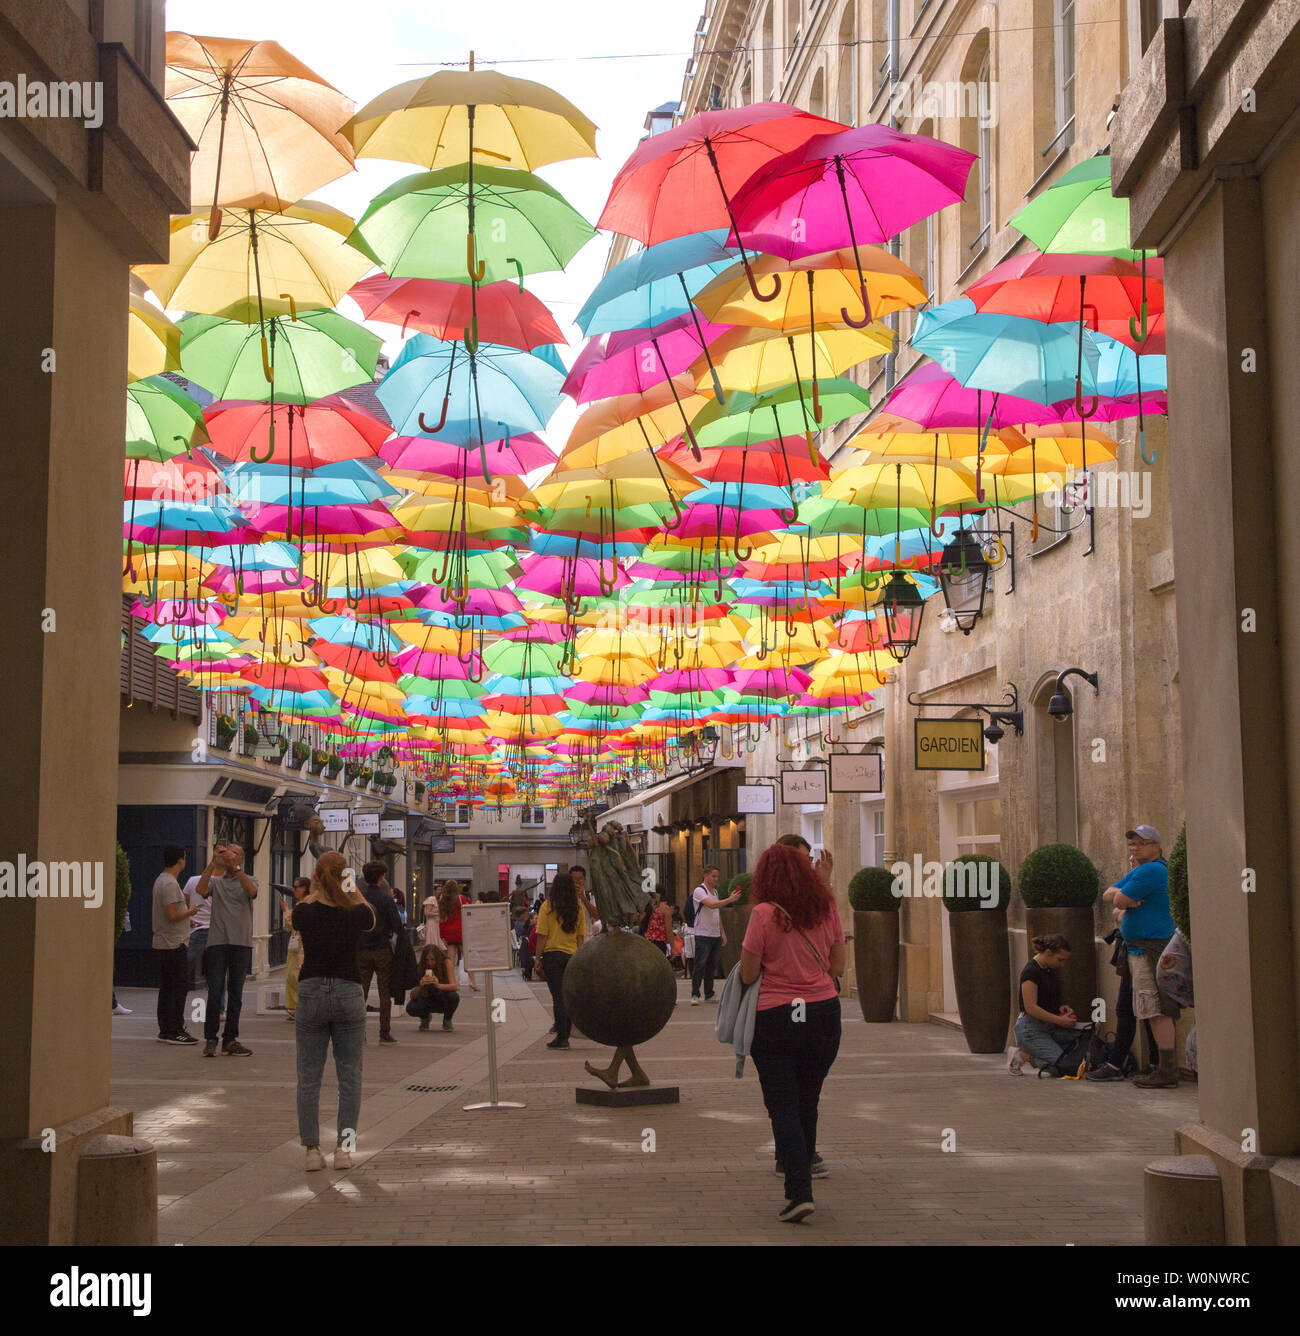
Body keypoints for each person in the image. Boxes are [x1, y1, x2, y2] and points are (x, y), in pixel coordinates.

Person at [740, 841, 846, 1224]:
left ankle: (799, 1190)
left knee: (782, 1103)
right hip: (822, 1012)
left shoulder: (763, 914)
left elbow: (748, 973)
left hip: (777, 1015)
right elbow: (838, 967)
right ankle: (803, 1175)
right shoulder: (826, 908)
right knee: (807, 1099)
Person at [293, 850, 375, 1172]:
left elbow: (300, 913)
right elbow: (370, 915)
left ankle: (312, 1151)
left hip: (312, 990)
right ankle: (344, 1149)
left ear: (315, 876)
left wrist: (316, 889)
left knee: (308, 1076)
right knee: (350, 1076)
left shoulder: (304, 911)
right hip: (348, 991)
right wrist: (349, 887)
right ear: (346, 877)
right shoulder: (356, 913)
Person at [1102, 824, 1181, 1087]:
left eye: (1141, 843)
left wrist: (1124, 900)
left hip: (1150, 949)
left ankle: (1166, 1070)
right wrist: (1123, 898)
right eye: (1133, 844)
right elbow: (1109, 894)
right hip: (1138, 949)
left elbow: (1119, 900)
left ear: (1156, 846)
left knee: (1156, 1009)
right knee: (1148, 1009)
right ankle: (1161, 1067)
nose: (1135, 848)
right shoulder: (1141, 870)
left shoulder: (1152, 870)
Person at [195, 843, 258, 1057]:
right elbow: (200, 890)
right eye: (227, 852)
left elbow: (252, 892)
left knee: (236, 993)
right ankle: (210, 1038)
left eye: (235, 853)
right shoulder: (216, 882)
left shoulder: (250, 879)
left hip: (241, 943)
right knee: (214, 992)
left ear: (241, 858)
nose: (230, 855)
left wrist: (236, 869)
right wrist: (214, 862)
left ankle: (230, 1039)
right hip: (218, 942)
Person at [1009, 935, 1081, 1076]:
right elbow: (1031, 1007)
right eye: (1060, 960)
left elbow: (1046, 997)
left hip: (1048, 1026)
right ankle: (1023, 1055)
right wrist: (1059, 1020)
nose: (1062, 964)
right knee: (1063, 1067)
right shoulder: (1031, 972)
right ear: (1048, 953)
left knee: (1075, 1055)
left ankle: (1040, 1053)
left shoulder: (1048, 969)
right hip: (1031, 1028)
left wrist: (1060, 1007)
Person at [152, 845, 199, 1045]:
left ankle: (166, 1029)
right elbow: (171, 914)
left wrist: (187, 920)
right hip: (173, 943)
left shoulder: (161, 880)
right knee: (178, 987)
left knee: (167, 987)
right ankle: (174, 1029)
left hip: (166, 941)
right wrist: (190, 912)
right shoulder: (170, 883)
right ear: (180, 860)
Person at [535, 872, 587, 1050]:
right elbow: (580, 937)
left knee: (558, 996)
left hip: (552, 956)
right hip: (572, 956)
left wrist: (537, 958)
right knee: (568, 996)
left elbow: (542, 935)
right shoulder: (578, 908)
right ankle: (566, 1032)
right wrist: (580, 958)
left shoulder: (547, 906)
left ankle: (562, 1036)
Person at [356, 861, 404, 1044]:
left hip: (362, 949)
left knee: (361, 991)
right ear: (381, 878)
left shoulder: (360, 899)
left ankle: (359, 1032)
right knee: (384, 991)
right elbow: (397, 924)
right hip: (382, 949)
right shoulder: (386, 900)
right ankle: (384, 1032)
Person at [690, 866, 740, 1005]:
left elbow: (716, 913)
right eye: (713, 876)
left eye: (717, 876)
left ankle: (709, 993)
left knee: (711, 966)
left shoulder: (715, 892)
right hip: (703, 933)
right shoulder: (700, 891)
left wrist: (722, 932)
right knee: (700, 964)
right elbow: (711, 905)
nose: (716, 879)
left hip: (715, 934)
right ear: (705, 875)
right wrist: (730, 899)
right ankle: (695, 994)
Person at [405, 942, 460, 1032]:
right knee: (411, 1007)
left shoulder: (446, 962)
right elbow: (412, 995)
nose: (430, 963)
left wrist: (438, 985)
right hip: (427, 997)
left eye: (432, 960)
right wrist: (421, 985)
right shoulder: (421, 966)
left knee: (454, 996)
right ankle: (425, 1017)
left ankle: (447, 1019)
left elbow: (454, 986)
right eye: (427, 960)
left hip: (442, 997)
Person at [437, 880, 478, 990]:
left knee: (451, 958)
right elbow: (465, 914)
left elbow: (441, 919)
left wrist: (442, 935)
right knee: (467, 957)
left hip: (448, 931)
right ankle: (472, 981)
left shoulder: (442, 899)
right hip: (460, 930)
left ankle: (452, 982)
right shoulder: (461, 898)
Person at [283, 876, 310, 1020]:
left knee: (295, 976)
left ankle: (299, 1007)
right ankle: (294, 1006)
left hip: (302, 947)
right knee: (291, 976)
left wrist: (286, 911)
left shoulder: (305, 904)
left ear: (304, 888)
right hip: (294, 946)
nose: (294, 890)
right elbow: (290, 928)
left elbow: (293, 924)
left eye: (296, 887)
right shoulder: (299, 904)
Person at [182, 871, 210, 993]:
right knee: (216, 972)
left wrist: (188, 917)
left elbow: (184, 900)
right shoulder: (220, 882)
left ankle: (177, 992)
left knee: (186, 965)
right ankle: (218, 1003)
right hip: (214, 929)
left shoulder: (192, 880)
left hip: (196, 928)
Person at [642, 889, 672, 957]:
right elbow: (669, 930)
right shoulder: (662, 908)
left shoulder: (651, 907)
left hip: (649, 939)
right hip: (658, 940)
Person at [514, 905, 534, 980]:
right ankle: (528, 968)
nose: (527, 916)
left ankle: (527, 969)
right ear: (522, 915)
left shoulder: (521, 922)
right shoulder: (519, 923)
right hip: (523, 941)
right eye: (526, 914)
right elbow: (522, 932)